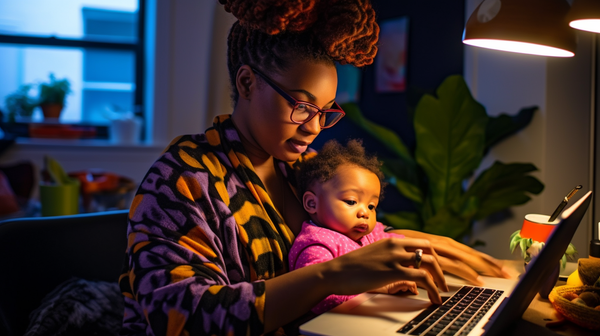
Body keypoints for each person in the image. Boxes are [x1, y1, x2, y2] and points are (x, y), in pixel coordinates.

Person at [119, 0, 510, 335]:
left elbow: (350, 238)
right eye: (302, 106)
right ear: (247, 82)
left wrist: (409, 244)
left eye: (325, 111)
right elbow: (179, 317)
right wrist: (332, 274)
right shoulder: (183, 178)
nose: (314, 127)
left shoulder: (304, 169)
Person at [289, 138, 419, 314]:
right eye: (351, 201)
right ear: (312, 204)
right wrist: (381, 287)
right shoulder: (316, 244)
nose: (364, 213)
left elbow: (393, 245)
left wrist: (410, 262)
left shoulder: (365, 235)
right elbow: (318, 297)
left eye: (371, 206)